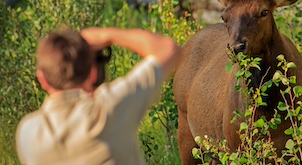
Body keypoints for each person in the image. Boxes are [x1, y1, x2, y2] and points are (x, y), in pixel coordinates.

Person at [16, 27, 181, 165]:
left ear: (42, 79)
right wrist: (108, 35)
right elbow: (168, 49)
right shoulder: (108, 110)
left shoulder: (28, 132)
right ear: (93, 74)